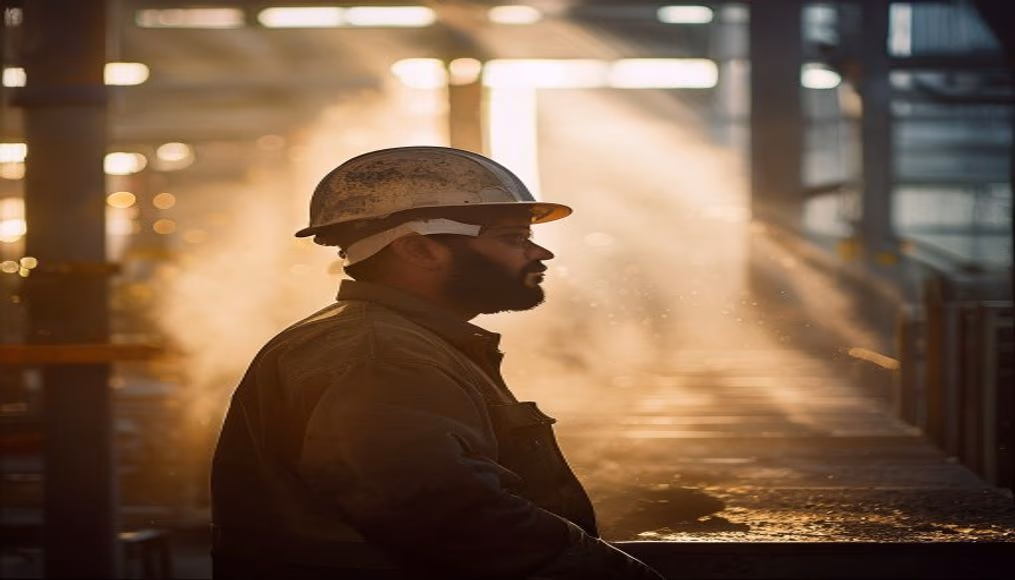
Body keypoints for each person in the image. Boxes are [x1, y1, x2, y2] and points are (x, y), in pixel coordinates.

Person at [210, 146, 666, 579]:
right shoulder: (380, 357)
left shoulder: (400, 341)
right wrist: (615, 573)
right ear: (419, 249)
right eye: (514, 238)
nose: (539, 253)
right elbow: (450, 516)